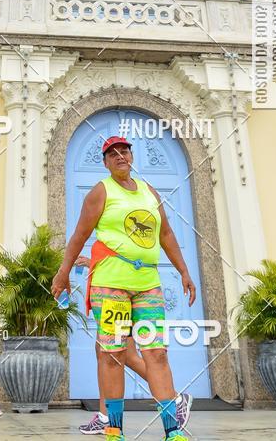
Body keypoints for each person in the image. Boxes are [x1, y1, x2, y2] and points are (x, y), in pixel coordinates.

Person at [52, 136, 195, 441]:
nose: (120, 156)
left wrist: (184, 270)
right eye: (112, 153)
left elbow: (166, 234)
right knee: (113, 355)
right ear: (105, 162)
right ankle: (114, 430)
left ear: (131, 156)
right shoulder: (100, 192)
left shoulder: (149, 191)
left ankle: (172, 431)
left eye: (124, 151)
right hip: (111, 286)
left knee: (157, 354)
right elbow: (79, 235)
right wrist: (63, 273)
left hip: (148, 286)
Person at [74, 256, 149, 436]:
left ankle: (174, 399)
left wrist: (95, 263)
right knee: (103, 352)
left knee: (126, 356)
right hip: (111, 294)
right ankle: (104, 416)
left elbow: (123, 259)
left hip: (117, 294)